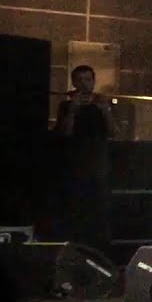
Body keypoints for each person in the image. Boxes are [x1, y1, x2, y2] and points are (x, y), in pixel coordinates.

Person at [52, 65, 113, 249]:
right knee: (76, 209)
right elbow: (65, 133)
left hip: (98, 164)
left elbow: (113, 132)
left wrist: (105, 110)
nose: (84, 84)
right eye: (80, 80)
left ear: (94, 81)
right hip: (75, 164)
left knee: (99, 210)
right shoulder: (66, 106)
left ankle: (99, 248)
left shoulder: (101, 104)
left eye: (88, 79)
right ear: (74, 83)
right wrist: (73, 110)